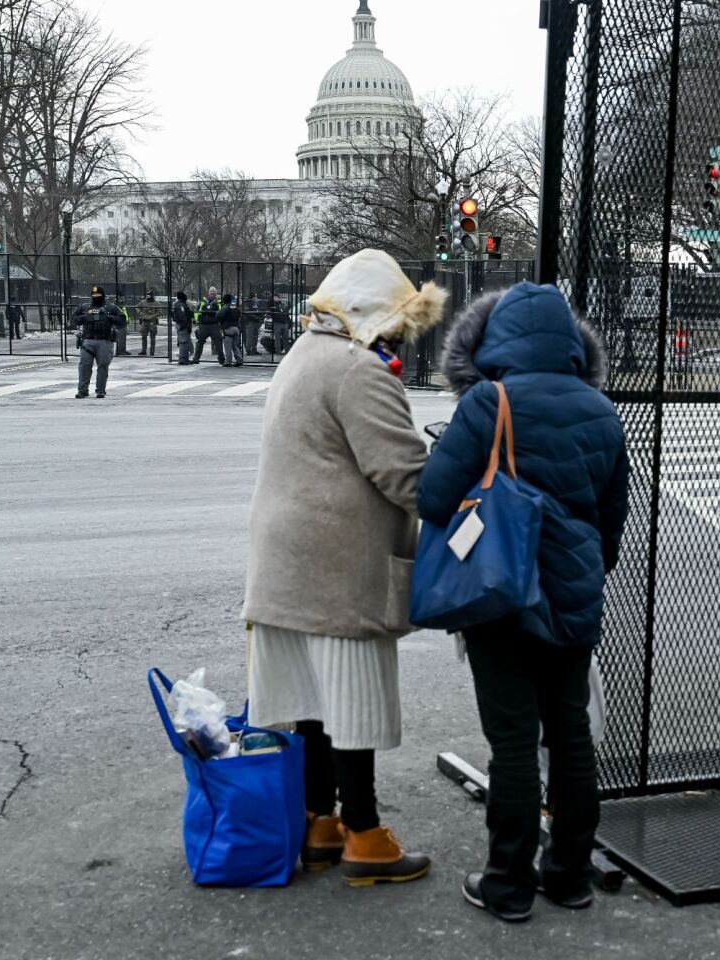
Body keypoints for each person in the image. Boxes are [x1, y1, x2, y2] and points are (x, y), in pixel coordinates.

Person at [418, 282, 631, 924]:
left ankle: (507, 884)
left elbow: (432, 500)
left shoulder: (490, 401)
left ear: (496, 340)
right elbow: (612, 518)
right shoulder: (600, 409)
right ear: (569, 342)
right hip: (572, 594)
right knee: (569, 734)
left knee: (512, 739)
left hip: (500, 593)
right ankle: (568, 875)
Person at [242, 248, 448, 887]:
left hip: (287, 556)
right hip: (338, 560)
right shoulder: (358, 371)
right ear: (372, 314)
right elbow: (404, 474)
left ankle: (318, 823)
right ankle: (365, 836)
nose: (398, 340)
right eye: (396, 325)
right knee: (350, 699)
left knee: (312, 701)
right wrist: (463, 488)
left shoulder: (301, 357)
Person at [68, 285, 124, 399]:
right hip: (88, 340)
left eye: (98, 295)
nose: (96, 297)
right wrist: (84, 316)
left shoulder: (111, 307)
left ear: (103, 296)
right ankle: (82, 390)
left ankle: (100, 390)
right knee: (84, 366)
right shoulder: (84, 307)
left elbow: (122, 321)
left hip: (104, 341)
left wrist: (108, 317)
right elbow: (73, 319)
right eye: (94, 295)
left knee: (103, 367)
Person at [192, 286, 224, 365]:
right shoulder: (203, 301)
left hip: (215, 325)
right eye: (211, 291)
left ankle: (222, 359)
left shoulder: (219, 302)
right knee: (200, 342)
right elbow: (196, 311)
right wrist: (196, 321)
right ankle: (196, 358)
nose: (212, 292)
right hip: (203, 325)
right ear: (208, 293)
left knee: (218, 343)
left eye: (214, 291)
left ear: (216, 293)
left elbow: (223, 311)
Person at [218, 294, 242, 367]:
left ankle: (228, 361)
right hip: (236, 328)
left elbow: (219, 316)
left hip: (227, 329)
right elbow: (238, 315)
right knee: (235, 346)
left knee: (227, 345)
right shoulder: (235, 307)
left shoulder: (225, 307)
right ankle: (239, 360)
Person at [172, 291, 195, 365]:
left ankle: (185, 358)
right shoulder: (180, 305)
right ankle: (182, 359)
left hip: (183, 326)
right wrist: (186, 326)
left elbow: (188, 314)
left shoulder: (181, 304)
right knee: (183, 343)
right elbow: (182, 317)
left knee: (186, 342)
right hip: (183, 326)